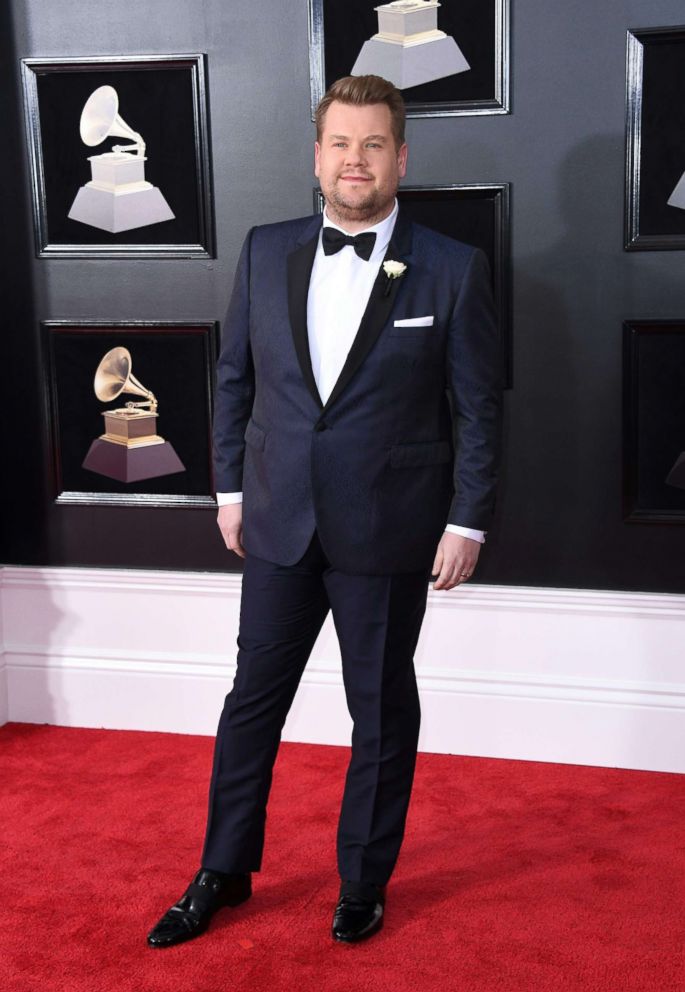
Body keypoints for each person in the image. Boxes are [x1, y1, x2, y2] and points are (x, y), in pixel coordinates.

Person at [147, 73, 501, 948]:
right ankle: (222, 868)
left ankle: (362, 879)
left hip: (389, 527)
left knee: (379, 708)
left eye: (372, 144)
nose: (355, 160)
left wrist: (468, 520)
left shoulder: (455, 268)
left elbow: (477, 408)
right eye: (340, 143)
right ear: (316, 156)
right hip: (275, 519)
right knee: (249, 703)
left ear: (400, 157)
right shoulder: (266, 251)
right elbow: (232, 379)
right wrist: (228, 490)